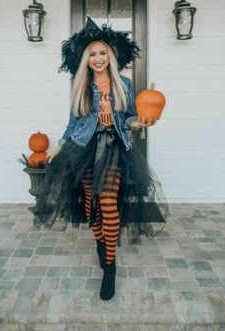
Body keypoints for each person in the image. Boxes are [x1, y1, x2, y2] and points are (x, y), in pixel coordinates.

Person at [30, 16, 169, 301]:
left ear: (111, 56)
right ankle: (100, 242)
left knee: (108, 201)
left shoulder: (125, 84)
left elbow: (129, 116)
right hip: (84, 149)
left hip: (116, 147)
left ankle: (110, 267)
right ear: (85, 59)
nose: (97, 58)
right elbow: (73, 123)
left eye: (102, 52)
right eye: (92, 54)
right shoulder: (80, 85)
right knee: (93, 207)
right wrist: (59, 145)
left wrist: (139, 124)